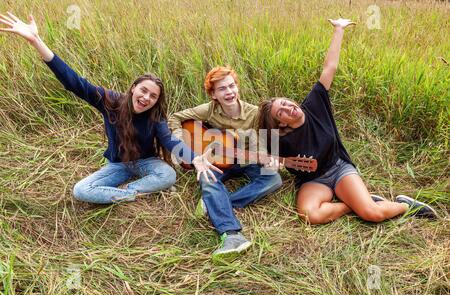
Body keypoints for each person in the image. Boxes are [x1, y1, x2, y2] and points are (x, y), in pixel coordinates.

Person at [0, 12, 221, 204]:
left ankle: (125, 192)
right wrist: (36, 41)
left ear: (156, 101)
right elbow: (75, 82)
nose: (146, 98)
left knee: (168, 175)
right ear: (133, 88)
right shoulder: (111, 102)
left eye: (153, 96)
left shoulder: (156, 117)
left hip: (146, 163)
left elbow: (170, 141)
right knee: (81, 190)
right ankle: (130, 194)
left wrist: (194, 158)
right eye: (143, 91)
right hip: (117, 165)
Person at [257, 18, 437, 224]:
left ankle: (406, 205)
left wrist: (339, 29)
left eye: (286, 102)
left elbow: (329, 67)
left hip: (339, 168)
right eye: (282, 112)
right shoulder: (277, 138)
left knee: (373, 214)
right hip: (313, 181)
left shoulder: (314, 103)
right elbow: (263, 162)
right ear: (281, 123)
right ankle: (353, 204)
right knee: (309, 215)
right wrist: (284, 161)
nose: (289, 107)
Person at [168, 66, 282, 260]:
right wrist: (184, 145)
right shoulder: (209, 110)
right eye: (222, 89)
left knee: (274, 179)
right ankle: (231, 235)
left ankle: (215, 203)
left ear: (237, 87)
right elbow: (175, 117)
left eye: (231, 86)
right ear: (213, 95)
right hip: (218, 161)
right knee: (206, 176)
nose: (229, 92)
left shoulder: (254, 113)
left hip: (246, 160)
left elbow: (262, 144)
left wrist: (267, 159)